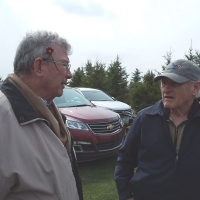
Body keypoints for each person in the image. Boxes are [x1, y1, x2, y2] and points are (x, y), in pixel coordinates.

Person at [0, 30, 83, 200]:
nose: (69, 74)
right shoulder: (3, 115)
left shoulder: (49, 111)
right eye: (65, 65)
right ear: (39, 67)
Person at [114, 59, 200, 200]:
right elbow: (125, 160)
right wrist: (126, 195)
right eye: (164, 83)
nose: (166, 89)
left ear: (195, 88)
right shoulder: (145, 118)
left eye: (175, 83)